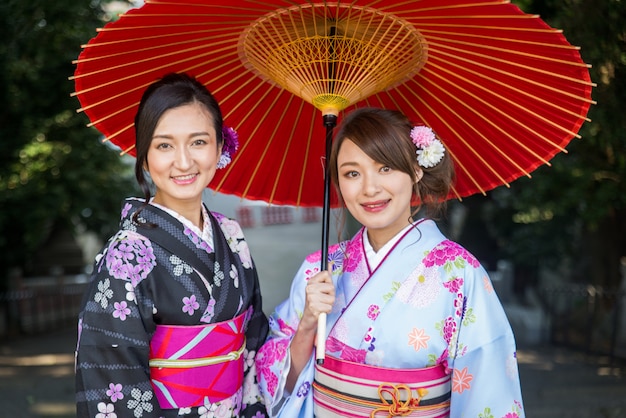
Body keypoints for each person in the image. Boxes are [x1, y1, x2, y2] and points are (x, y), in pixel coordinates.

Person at [256, 107, 525, 417]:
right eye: (352, 173)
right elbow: (273, 383)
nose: (370, 188)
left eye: (385, 168)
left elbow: (486, 386)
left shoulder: (459, 273)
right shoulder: (319, 269)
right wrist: (305, 327)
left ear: (416, 170)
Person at [75, 73, 269, 418]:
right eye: (165, 145)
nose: (183, 162)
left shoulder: (232, 235)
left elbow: (253, 343)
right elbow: (112, 375)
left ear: (220, 147)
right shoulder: (128, 255)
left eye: (198, 142)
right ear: (144, 156)